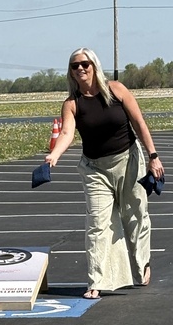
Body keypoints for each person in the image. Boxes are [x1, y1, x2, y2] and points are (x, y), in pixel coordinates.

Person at [46, 47, 165, 299]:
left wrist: (153, 156)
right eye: (75, 66)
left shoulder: (116, 90)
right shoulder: (72, 104)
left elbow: (139, 123)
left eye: (85, 64)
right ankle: (96, 280)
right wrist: (54, 155)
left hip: (128, 160)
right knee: (98, 224)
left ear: (94, 66)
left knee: (136, 215)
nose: (80, 69)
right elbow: (67, 133)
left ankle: (141, 263)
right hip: (94, 168)